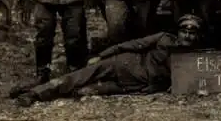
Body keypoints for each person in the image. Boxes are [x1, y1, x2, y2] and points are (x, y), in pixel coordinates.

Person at [13, 14, 204, 107]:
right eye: (184, 31)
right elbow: (131, 44)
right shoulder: (164, 38)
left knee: (83, 92)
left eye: (191, 34)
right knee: (76, 78)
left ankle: (36, 90)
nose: (187, 36)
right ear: (178, 31)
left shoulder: (196, 59)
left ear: (197, 37)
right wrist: (103, 55)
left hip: (133, 87)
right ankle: (33, 94)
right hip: (122, 65)